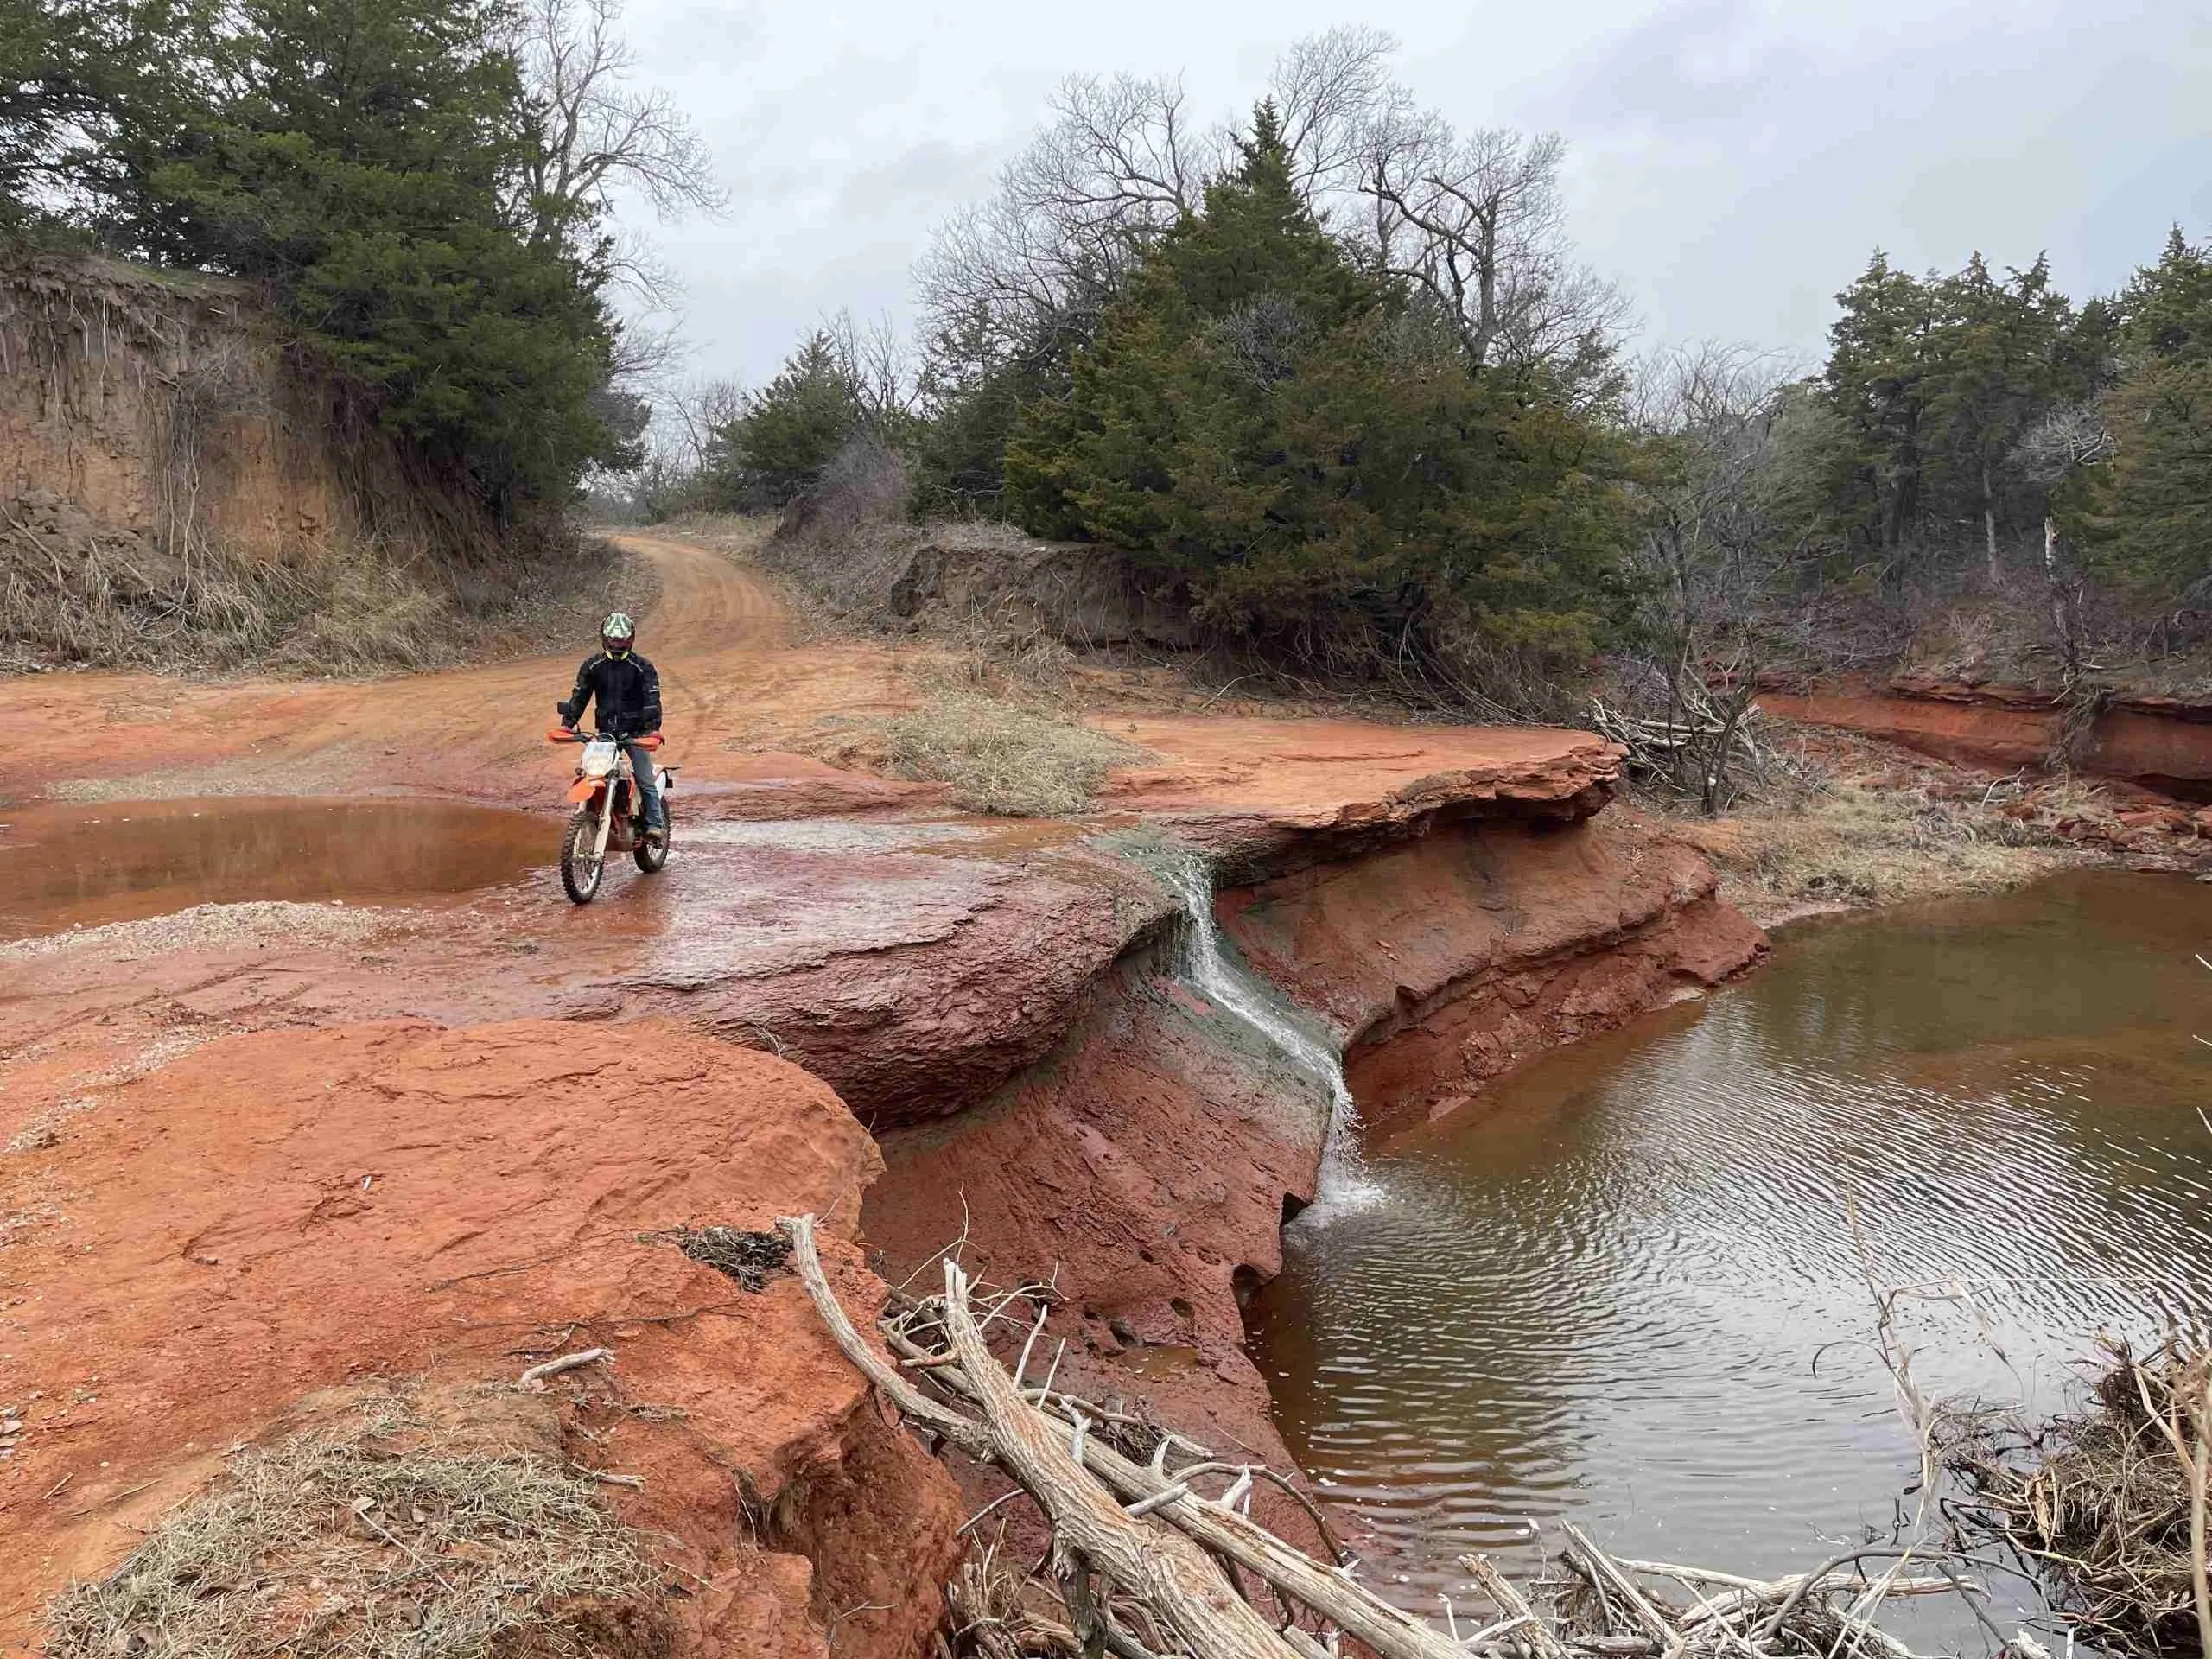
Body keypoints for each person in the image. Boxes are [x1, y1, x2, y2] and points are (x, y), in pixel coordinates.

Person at [556, 611, 664, 841]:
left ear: (631, 639)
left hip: (636, 733)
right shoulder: (592, 665)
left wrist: (652, 730)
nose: (617, 644)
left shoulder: (642, 667)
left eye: (622, 640)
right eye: (613, 640)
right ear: (604, 638)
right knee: (591, 772)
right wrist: (568, 723)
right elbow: (580, 696)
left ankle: (655, 823)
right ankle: (592, 815)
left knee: (645, 779)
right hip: (605, 733)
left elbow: (652, 699)